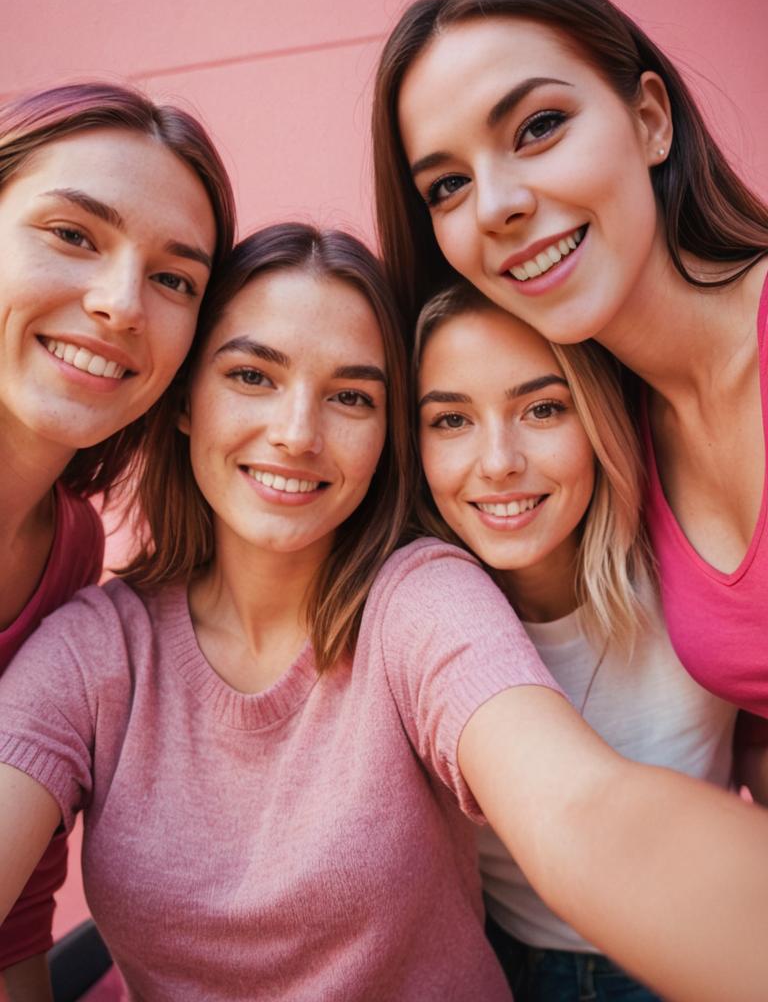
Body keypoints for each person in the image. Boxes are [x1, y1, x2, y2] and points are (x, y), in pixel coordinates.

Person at [1, 225, 768, 1002]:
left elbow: (581, 807)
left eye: (351, 397)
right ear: (185, 401)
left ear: (383, 435)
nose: (298, 434)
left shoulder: (420, 599)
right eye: (253, 377)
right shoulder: (94, 654)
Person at [371, 0, 768, 762]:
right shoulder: (622, 438)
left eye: (539, 127)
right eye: (447, 185)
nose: (494, 205)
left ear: (651, 120)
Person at [414, 281, 739, 1001]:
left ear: (597, 418)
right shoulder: (413, 613)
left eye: (542, 408)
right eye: (451, 420)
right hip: (495, 966)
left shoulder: (693, 573)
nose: (498, 461)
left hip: (693, 957)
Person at [0, 81, 235, 1000]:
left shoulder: (70, 547)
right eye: (73, 234)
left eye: (174, 278)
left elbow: (19, 903)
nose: (120, 303)